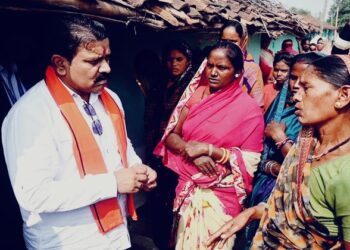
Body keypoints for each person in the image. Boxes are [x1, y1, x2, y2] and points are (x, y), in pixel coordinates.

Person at [1, 15, 157, 250]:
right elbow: (33, 194)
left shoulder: (110, 99)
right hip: (68, 242)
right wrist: (112, 183)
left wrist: (136, 168)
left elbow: (121, 148)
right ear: (60, 63)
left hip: (116, 235)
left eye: (107, 58)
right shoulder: (31, 113)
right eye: (94, 61)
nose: (107, 68)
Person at [206, 54, 350, 249]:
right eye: (296, 84)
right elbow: (288, 212)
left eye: (306, 88)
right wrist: (253, 212)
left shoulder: (345, 173)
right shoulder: (307, 143)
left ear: (342, 96)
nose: (296, 95)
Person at [154, 41, 264, 250]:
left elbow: (250, 160)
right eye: (210, 65)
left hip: (222, 196)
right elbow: (171, 136)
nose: (213, 72)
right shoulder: (196, 95)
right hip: (189, 185)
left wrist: (210, 151)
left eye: (222, 67)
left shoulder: (249, 110)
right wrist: (193, 153)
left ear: (238, 72)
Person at [245, 52, 323, 248]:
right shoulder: (282, 106)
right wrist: (269, 166)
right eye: (293, 78)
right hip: (264, 185)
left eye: (304, 81)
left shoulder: (320, 118)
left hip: (293, 195)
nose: (295, 85)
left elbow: (305, 166)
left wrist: (281, 138)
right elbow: (260, 145)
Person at [151, 40, 195, 250]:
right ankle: (160, 238)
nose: (174, 64)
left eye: (179, 59)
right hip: (157, 146)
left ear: (188, 61)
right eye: (170, 60)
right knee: (158, 196)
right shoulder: (161, 83)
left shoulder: (192, 87)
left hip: (178, 148)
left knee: (174, 197)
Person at [220, 20, 265, 108]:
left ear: (243, 41)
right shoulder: (211, 62)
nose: (228, 45)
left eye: (233, 41)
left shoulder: (251, 69)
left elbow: (258, 105)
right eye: (223, 40)